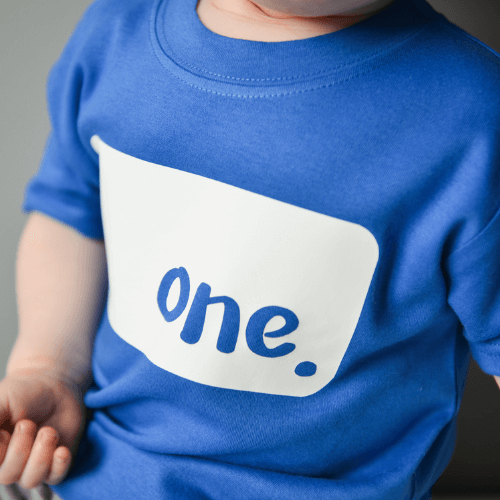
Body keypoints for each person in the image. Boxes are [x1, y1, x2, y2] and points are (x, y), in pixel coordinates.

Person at [1, 0, 499, 498]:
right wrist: (49, 368)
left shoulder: (473, 112)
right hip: (94, 476)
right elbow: (72, 217)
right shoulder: (114, 33)